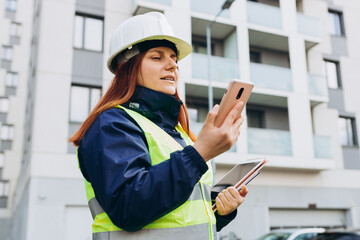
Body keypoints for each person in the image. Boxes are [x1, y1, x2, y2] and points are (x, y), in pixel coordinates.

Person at [69, 12, 248, 240]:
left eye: (174, 58)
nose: (172, 64)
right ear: (127, 67)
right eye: (157, 57)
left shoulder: (180, 133)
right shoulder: (111, 124)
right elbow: (128, 207)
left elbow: (179, 219)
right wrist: (200, 153)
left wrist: (219, 211)